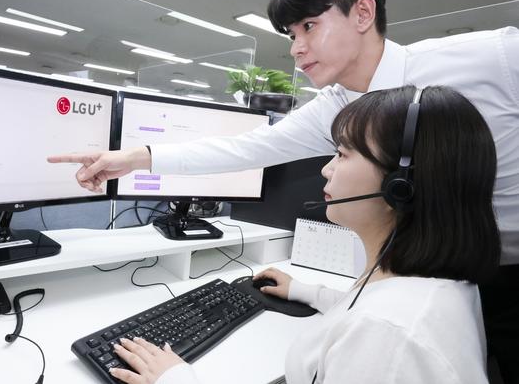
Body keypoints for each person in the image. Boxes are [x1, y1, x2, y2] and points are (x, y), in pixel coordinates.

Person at [48, 0, 519, 380]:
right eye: (291, 34)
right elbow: (246, 148)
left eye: (309, 26)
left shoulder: (490, 56)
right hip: (439, 270)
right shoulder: (337, 105)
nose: (296, 49)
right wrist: (137, 158)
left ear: (362, 13)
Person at [105, 85, 501, 384]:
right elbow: (363, 311)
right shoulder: (431, 284)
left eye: (342, 154)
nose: (326, 169)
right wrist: (306, 291)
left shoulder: (389, 337)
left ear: (401, 186)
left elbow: (379, 330)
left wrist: (175, 379)